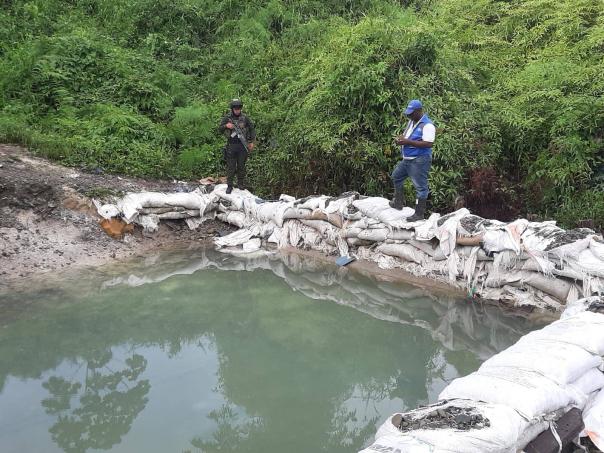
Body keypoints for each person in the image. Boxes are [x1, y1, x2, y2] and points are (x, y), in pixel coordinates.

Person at [389, 99, 436, 221]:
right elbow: (408, 137)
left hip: (419, 160)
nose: (408, 116)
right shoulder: (412, 122)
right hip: (407, 159)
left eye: (411, 113)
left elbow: (428, 144)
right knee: (396, 176)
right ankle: (398, 202)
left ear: (419, 111)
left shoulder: (427, 125)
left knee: (421, 187)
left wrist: (407, 142)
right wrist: (400, 140)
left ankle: (419, 214)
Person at [218, 99, 256, 194]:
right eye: (235, 109)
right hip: (231, 145)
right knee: (231, 167)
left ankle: (240, 184)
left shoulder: (245, 118)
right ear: (232, 109)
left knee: (241, 166)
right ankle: (229, 185)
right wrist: (226, 126)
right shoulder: (227, 118)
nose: (237, 111)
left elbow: (252, 128)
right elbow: (219, 129)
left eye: (239, 109)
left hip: (242, 146)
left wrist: (251, 141)